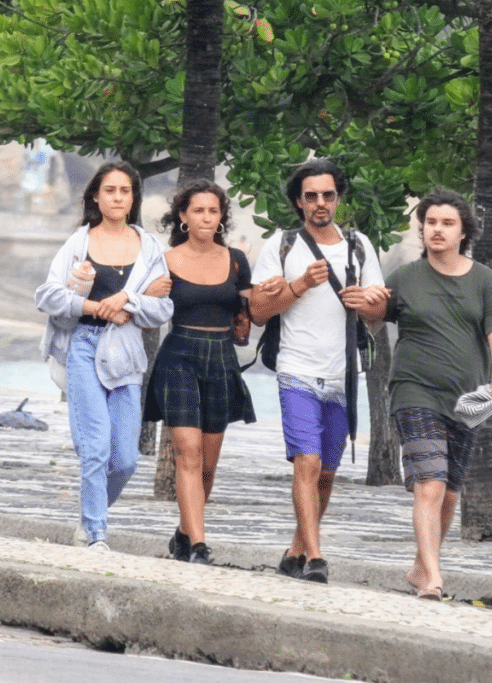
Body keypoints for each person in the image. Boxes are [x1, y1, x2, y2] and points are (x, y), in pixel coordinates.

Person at [352, 187, 492, 600]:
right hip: (414, 390)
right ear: (421, 229)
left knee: (451, 489)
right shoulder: (405, 277)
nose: (436, 230)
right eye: (430, 223)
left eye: (447, 223)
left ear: (463, 232)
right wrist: (367, 305)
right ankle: (435, 579)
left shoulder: (484, 280)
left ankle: (421, 568)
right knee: (430, 484)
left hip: (467, 400)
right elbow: (372, 323)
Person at [250, 159, 388, 583]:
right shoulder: (282, 246)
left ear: (338, 199)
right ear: (298, 201)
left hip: (343, 375)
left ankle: (296, 550)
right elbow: (257, 311)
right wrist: (300, 286)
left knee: (326, 472)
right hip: (296, 370)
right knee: (307, 463)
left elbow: (379, 318)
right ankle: (316, 558)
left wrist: (369, 302)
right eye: (311, 196)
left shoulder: (359, 246)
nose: (320, 203)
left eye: (328, 195)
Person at [35, 161, 173, 551]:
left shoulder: (148, 247)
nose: (117, 197)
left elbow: (164, 308)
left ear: (133, 198)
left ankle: (89, 513)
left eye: (124, 190)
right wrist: (96, 308)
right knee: (94, 448)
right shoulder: (79, 242)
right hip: (82, 345)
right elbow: (47, 295)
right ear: (96, 195)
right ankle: (96, 535)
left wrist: (127, 301)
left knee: (125, 459)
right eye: (109, 190)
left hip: (126, 352)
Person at [144, 179, 256, 565]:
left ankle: (183, 532)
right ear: (183, 216)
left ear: (222, 216)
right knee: (187, 453)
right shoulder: (165, 259)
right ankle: (198, 546)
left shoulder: (237, 259)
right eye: (198, 211)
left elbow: (247, 316)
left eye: (213, 210)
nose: (207, 218)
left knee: (208, 462)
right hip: (179, 355)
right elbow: (146, 308)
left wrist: (249, 317)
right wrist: (150, 295)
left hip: (221, 357)